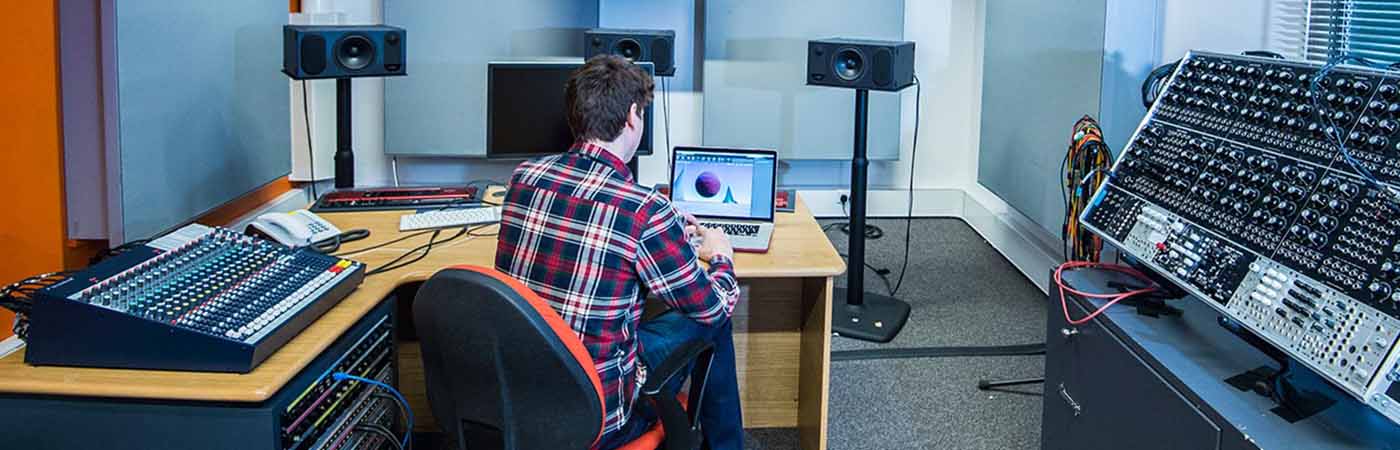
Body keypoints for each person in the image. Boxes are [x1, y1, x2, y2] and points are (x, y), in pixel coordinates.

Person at [494, 54, 745, 449]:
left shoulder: (524, 177)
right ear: (632, 116)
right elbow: (712, 305)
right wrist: (720, 256)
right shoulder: (644, 210)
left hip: (526, 397)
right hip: (601, 416)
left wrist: (665, 223)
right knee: (717, 318)